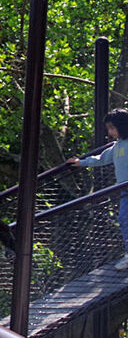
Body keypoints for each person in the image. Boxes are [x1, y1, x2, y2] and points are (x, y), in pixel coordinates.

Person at [69, 108, 128, 271]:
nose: (109, 132)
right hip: (125, 191)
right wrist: (82, 162)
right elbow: (102, 158)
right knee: (124, 220)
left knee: (125, 219)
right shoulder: (117, 146)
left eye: (112, 128)